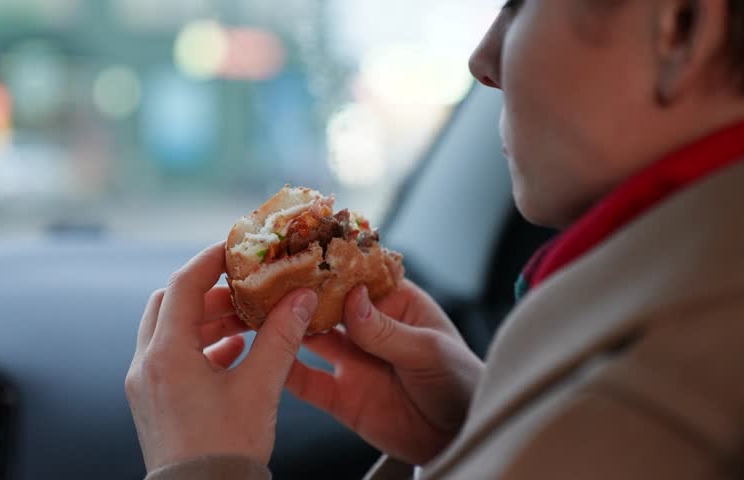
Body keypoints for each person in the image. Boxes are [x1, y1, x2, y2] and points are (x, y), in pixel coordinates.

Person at [125, 0, 744, 478]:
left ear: (681, 28)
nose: (483, 59)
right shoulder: (665, 312)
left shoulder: (654, 401)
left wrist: (202, 466)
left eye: (521, 5)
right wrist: (473, 432)